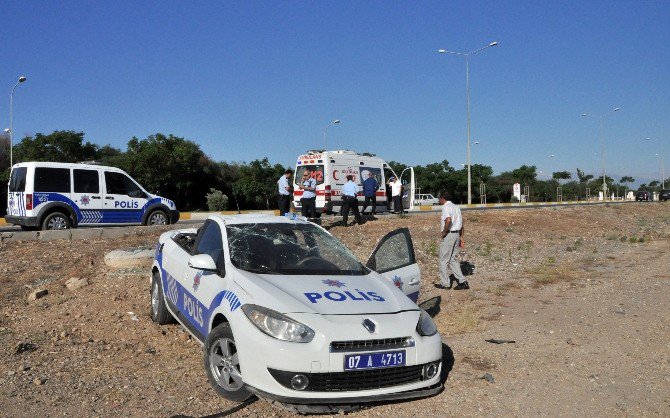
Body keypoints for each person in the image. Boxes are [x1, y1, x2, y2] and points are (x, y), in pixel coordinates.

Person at [435, 191, 468, 290]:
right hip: (457, 234)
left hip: (449, 235)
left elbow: (448, 220)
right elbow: (461, 224)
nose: (439, 200)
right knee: (453, 259)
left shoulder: (446, 207)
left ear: (442, 198)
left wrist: (444, 232)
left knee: (443, 259)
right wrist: (461, 237)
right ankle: (462, 282)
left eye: (439, 198)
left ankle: (445, 283)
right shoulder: (456, 207)